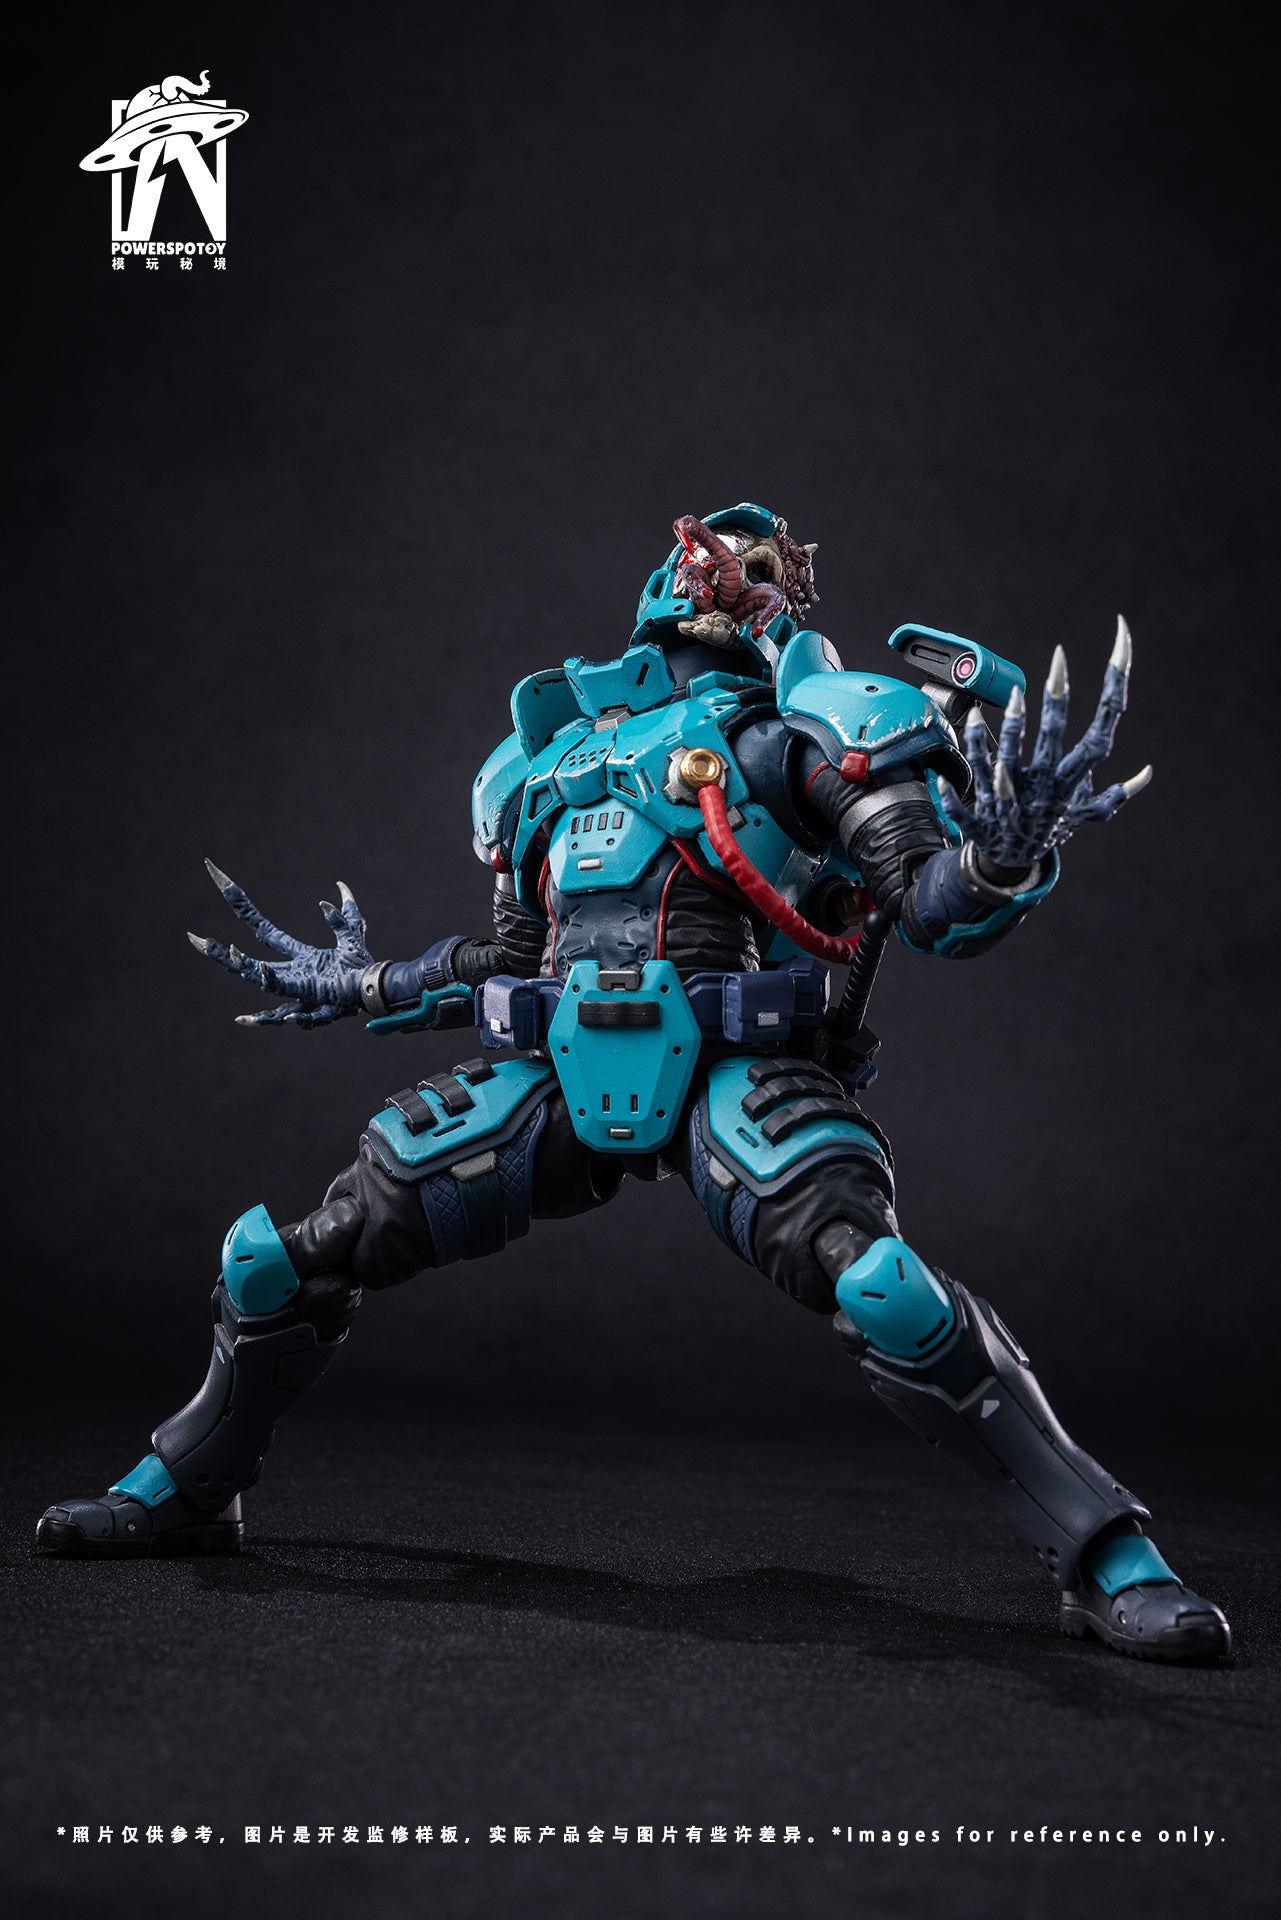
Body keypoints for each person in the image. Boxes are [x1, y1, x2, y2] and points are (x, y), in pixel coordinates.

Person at [37, 503, 1230, 1665]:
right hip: (554, 1076)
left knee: (883, 1286)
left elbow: (923, 903)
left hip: (732, 1072)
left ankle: (1107, 1552)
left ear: (782, 598)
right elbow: (508, 960)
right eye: (710, 550)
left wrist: (998, 860)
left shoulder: (799, 736)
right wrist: (361, 983)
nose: (720, 569)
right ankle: (189, 1483)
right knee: (279, 1259)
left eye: (758, 561)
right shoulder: (545, 765)